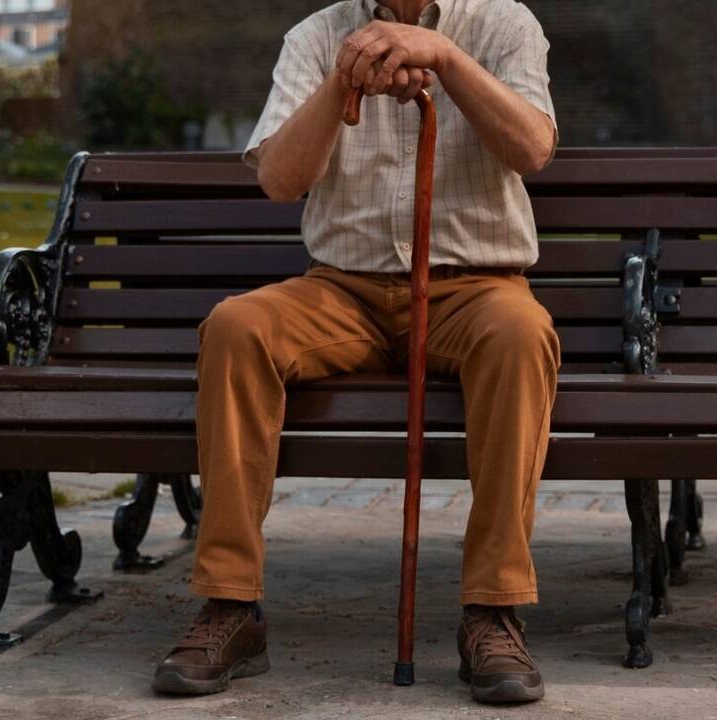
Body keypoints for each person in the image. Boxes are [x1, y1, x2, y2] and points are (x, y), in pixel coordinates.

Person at [153, 0, 559, 704]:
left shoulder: (505, 25)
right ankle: (230, 604)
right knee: (236, 327)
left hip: (473, 286)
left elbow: (532, 148)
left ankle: (493, 613)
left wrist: (445, 58)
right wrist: (342, 79)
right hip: (344, 290)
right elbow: (281, 181)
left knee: (522, 334)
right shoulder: (315, 36)